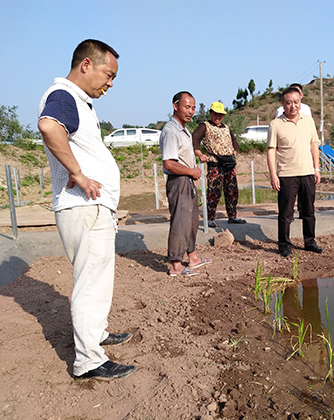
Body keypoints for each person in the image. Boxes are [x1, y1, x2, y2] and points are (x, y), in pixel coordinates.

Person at [37, 39, 136, 381]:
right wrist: (78, 174)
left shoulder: (77, 101)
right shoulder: (63, 96)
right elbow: (49, 127)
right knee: (89, 284)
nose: (109, 84)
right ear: (86, 65)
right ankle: (89, 361)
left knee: (97, 280)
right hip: (83, 206)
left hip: (91, 208)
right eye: (108, 75)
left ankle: (96, 335)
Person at [267, 86, 323, 258]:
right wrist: (273, 175)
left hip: (307, 172)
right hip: (286, 175)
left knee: (309, 210)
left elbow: (314, 145)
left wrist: (316, 168)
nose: (293, 106)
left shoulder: (308, 121)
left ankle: (310, 242)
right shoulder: (275, 124)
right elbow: (271, 150)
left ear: (301, 102)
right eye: (289, 103)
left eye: (296, 102)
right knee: (286, 213)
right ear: (283, 104)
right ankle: (284, 245)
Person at [160, 91, 210, 276]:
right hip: (179, 181)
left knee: (191, 221)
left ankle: (193, 257)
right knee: (180, 222)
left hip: (187, 180)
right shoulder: (171, 131)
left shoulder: (184, 130)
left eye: (193, 108)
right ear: (175, 106)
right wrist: (192, 171)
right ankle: (175, 264)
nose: (190, 111)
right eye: (187, 107)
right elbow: (169, 163)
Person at [192, 101, 246, 228]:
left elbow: (233, 142)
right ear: (211, 113)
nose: (218, 117)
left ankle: (232, 216)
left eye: (220, 114)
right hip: (215, 163)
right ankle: (210, 218)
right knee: (214, 191)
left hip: (229, 163)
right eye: (215, 114)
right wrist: (200, 155)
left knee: (232, 190)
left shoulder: (226, 127)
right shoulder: (204, 126)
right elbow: (194, 139)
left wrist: (233, 154)